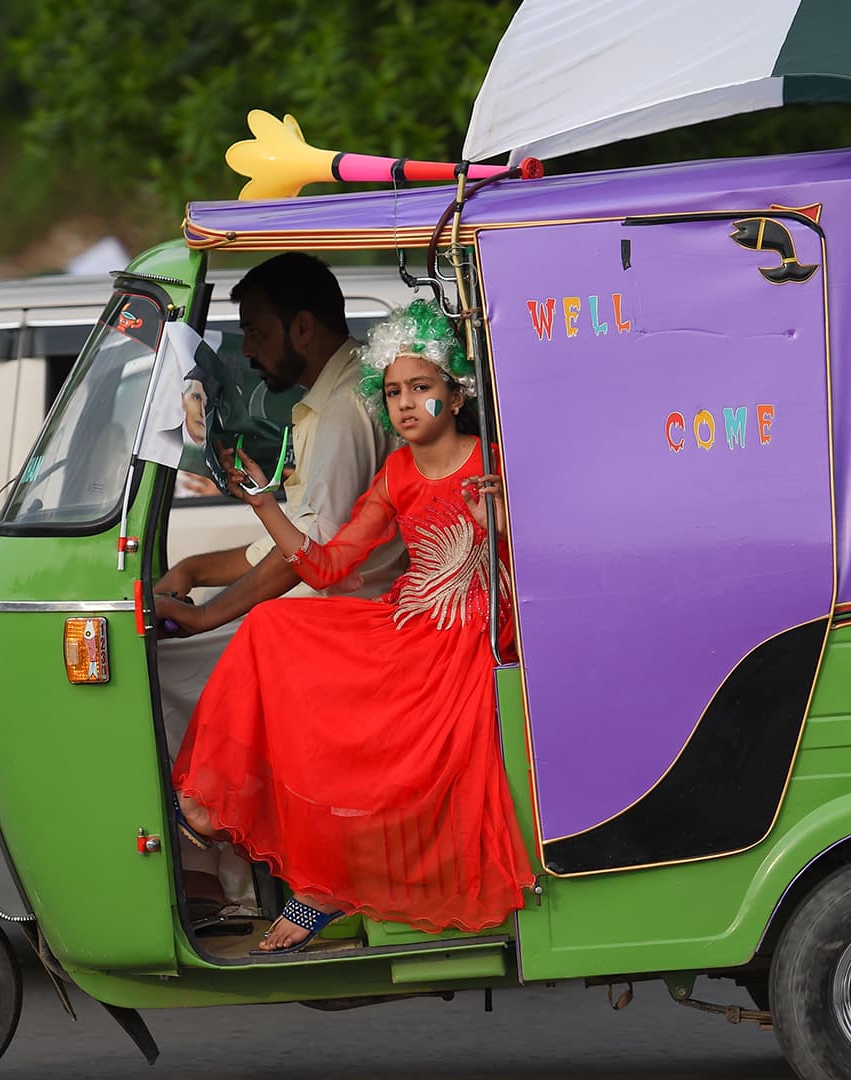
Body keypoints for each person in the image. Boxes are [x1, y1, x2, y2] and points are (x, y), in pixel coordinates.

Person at [168, 300, 533, 953]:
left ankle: (326, 893)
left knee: (381, 763)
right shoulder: (397, 472)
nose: (405, 404)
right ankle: (215, 810)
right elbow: (328, 562)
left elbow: (546, 563)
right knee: (272, 627)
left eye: (420, 387)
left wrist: (502, 524)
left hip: (465, 642)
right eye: (393, 392)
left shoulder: (493, 461)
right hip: (405, 627)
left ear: (456, 391)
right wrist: (263, 504)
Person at [152, 254, 405, 916]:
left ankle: (227, 875)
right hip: (326, 598)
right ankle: (226, 871)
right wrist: (195, 573)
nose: (253, 354)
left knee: (171, 670)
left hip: (351, 616)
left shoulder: (347, 411)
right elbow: (295, 537)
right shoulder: (325, 403)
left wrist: (208, 615)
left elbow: (311, 555)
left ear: (301, 327)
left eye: (257, 334)